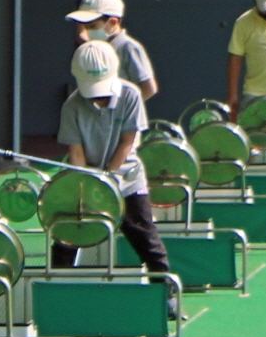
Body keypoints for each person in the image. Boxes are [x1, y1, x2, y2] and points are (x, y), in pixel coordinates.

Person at [53, 39, 178, 313]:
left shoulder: (131, 95)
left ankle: (166, 294)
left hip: (127, 178)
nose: (98, 98)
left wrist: (108, 179)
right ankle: (57, 295)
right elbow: (76, 153)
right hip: (86, 179)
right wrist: (87, 187)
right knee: (66, 235)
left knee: (146, 237)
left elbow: (126, 142)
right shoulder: (72, 106)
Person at [68, 0, 156, 103]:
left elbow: (149, 89)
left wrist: (122, 109)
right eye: (85, 27)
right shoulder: (94, 48)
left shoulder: (129, 47)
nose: (88, 31)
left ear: (113, 22)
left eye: (92, 26)